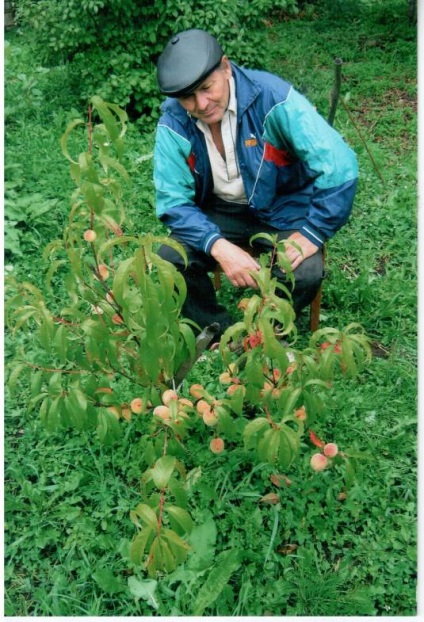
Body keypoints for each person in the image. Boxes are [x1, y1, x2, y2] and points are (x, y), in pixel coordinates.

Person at [153, 29, 358, 336]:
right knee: (169, 259)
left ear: (225, 67)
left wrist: (314, 232)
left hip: (283, 205)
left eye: (208, 88)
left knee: (304, 273)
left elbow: (340, 167)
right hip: (220, 210)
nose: (202, 104)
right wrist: (218, 245)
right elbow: (173, 202)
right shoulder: (174, 121)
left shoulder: (273, 98)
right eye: (187, 97)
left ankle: (267, 334)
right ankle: (218, 331)